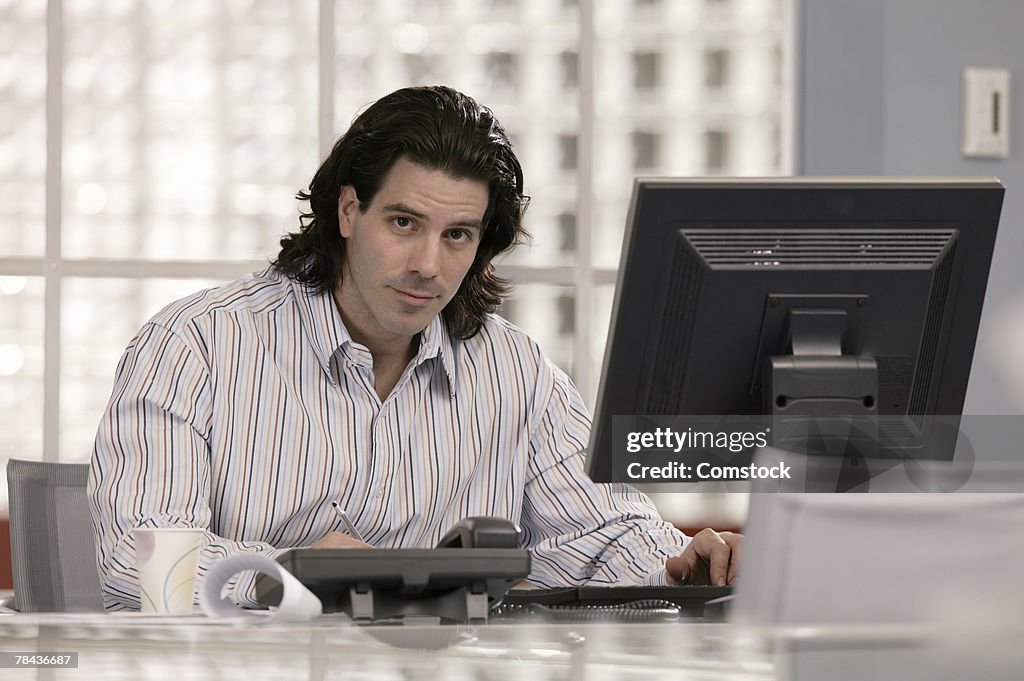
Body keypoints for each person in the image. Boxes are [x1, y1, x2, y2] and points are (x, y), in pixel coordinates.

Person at [88, 85, 741, 611]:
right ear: (348, 212)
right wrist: (297, 573)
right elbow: (141, 563)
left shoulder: (515, 371)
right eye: (404, 223)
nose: (427, 264)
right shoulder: (195, 347)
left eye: (457, 235)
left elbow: (598, 535)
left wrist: (680, 564)